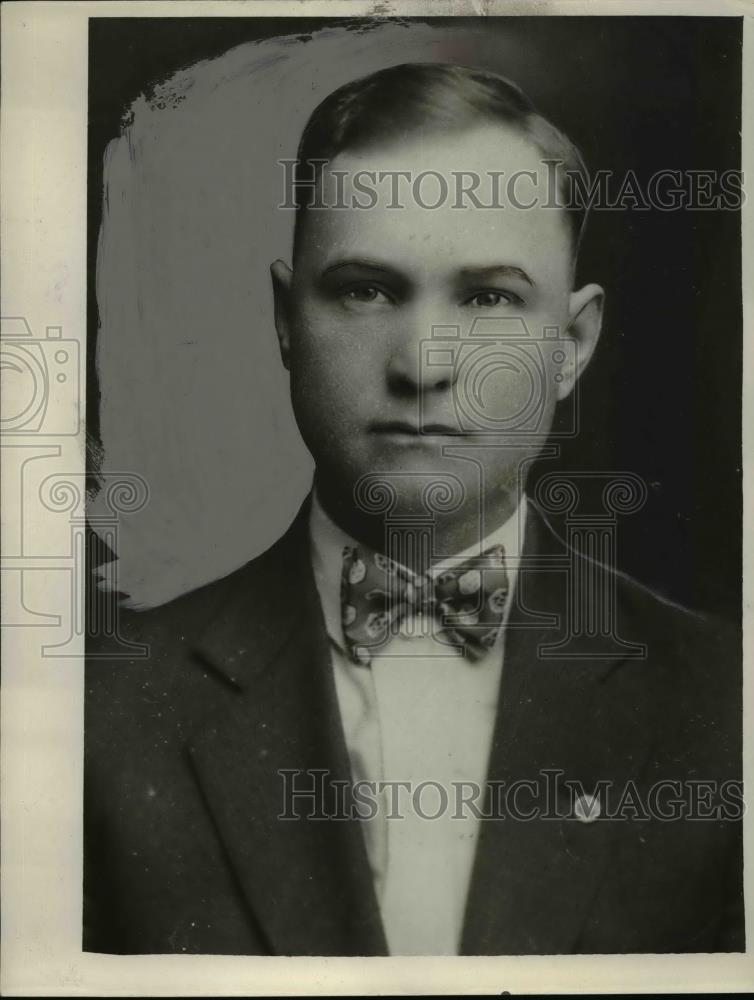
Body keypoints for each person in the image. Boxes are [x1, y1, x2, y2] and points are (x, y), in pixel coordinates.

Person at [84, 62, 743, 956]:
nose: (422, 366)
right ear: (286, 318)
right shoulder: (98, 712)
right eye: (366, 289)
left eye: (487, 298)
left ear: (572, 344)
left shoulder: (726, 703)